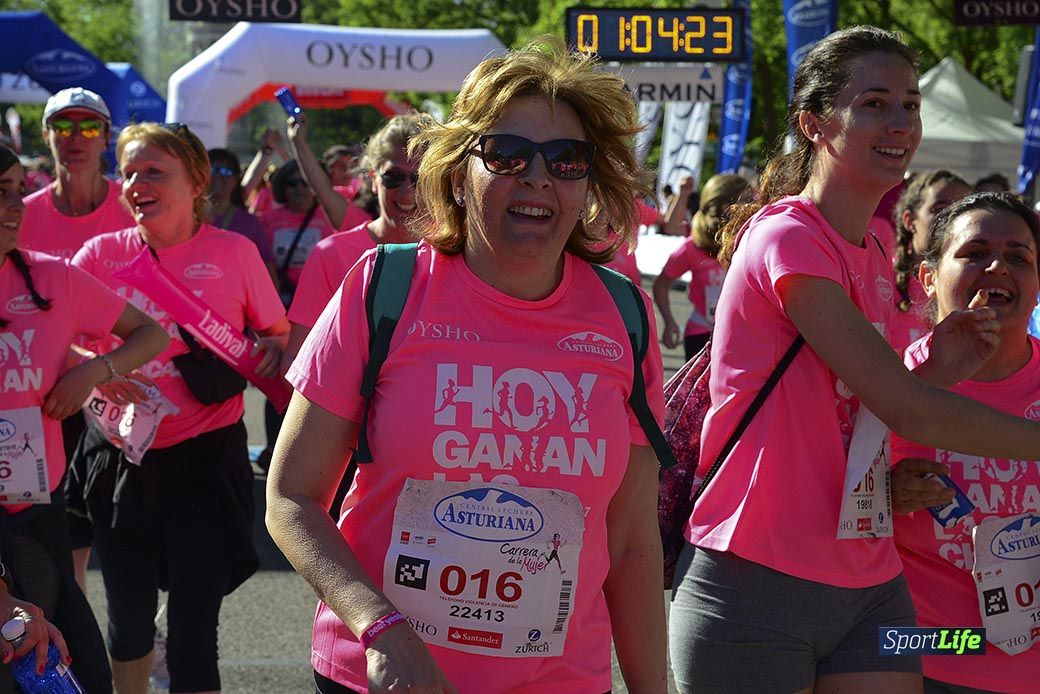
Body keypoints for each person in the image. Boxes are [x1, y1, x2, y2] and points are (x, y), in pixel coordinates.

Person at [267, 39, 668, 694]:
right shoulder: (384, 288)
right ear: (459, 173)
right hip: (388, 678)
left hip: (562, 679)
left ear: (587, 183)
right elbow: (290, 498)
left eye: (567, 160)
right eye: (508, 154)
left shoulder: (626, 316)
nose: (538, 177)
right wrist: (381, 630)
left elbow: (630, 545)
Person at [668, 26, 1040, 694]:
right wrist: (918, 389)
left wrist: (934, 370)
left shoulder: (871, 251)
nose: (900, 121)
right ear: (814, 124)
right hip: (758, 576)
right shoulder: (788, 236)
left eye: (910, 105)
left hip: (868, 583)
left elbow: (870, 410)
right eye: (874, 103)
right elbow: (902, 408)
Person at [70, 123, 288, 694]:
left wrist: (270, 347)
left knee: (194, 631)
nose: (136, 184)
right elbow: (54, 339)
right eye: (130, 173)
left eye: (154, 172)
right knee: (129, 622)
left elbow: (275, 334)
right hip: (120, 459)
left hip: (205, 460)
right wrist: (94, 367)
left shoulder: (234, 253)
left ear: (195, 183)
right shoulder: (99, 255)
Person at [0, 143, 168, 693]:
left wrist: (91, 370)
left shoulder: (53, 278)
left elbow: (152, 333)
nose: (14, 205)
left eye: (17, 189)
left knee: (71, 672)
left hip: (35, 510)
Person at [891, 192, 1040, 694]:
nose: (997, 266)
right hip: (920, 655)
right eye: (974, 253)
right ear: (928, 278)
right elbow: (825, 508)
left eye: (1018, 258)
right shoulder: (886, 379)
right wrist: (880, 495)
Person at [19, 88, 138, 591]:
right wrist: (81, 361)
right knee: (53, 526)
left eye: (88, 127)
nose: (75, 138)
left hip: (129, 383)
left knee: (121, 523)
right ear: (46, 137)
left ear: (106, 138)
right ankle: (68, 623)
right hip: (48, 390)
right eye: (63, 126)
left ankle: (131, 631)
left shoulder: (134, 203)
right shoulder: (20, 213)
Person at [283, 113, 432, 374]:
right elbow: (295, 365)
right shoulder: (332, 254)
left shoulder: (460, 253)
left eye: (419, 179)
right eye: (392, 178)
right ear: (373, 178)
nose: (407, 191)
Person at [653, 174, 748, 360]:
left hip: (739, 335)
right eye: (744, 201)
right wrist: (669, 322)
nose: (750, 207)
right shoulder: (694, 244)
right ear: (721, 204)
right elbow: (661, 284)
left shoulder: (750, 237)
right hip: (702, 335)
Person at [889, 170, 971, 353]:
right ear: (910, 221)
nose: (952, 220)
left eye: (962, 210)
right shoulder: (877, 276)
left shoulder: (981, 281)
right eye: (940, 209)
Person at [206, 147, 272, 267]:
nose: (218, 176)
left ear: (236, 179)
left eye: (227, 171)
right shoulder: (183, 218)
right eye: (213, 169)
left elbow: (267, 265)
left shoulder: (249, 223)